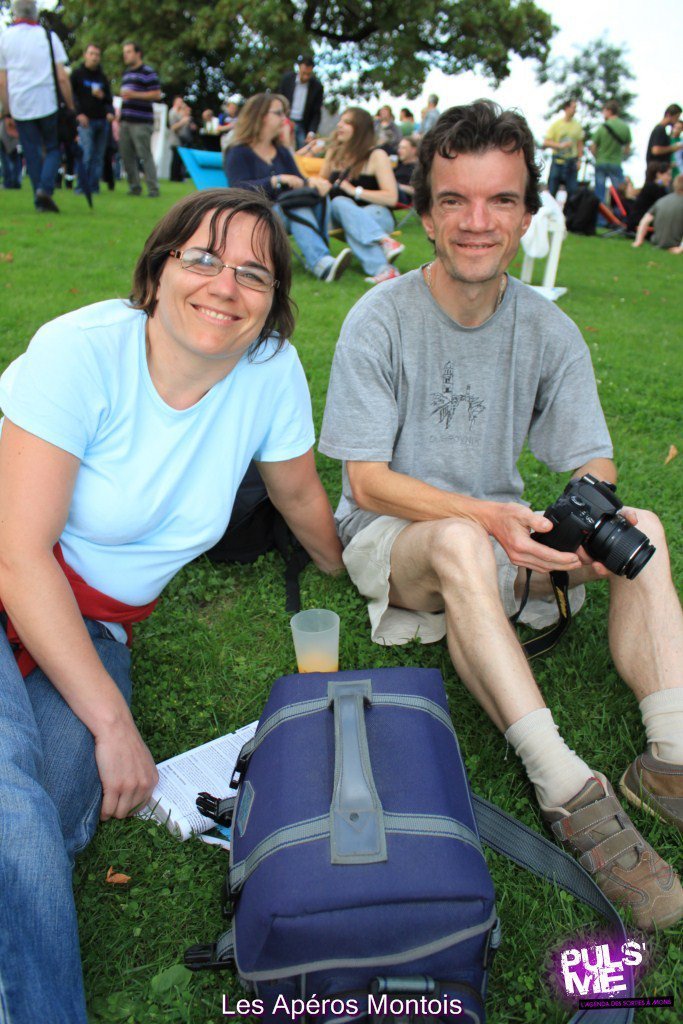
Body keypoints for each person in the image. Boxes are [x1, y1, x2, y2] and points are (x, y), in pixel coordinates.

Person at [319, 100, 683, 933]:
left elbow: (592, 463)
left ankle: (669, 760)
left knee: (644, 528)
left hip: (501, 531)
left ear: (524, 215)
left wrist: (573, 530)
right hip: (400, 539)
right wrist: (487, 519)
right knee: (457, 539)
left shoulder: (547, 328)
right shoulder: (379, 319)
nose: (477, 222)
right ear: (424, 215)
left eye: (500, 201)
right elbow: (366, 483)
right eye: (454, 200)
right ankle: (566, 789)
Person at [0, 187, 344, 1024]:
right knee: (11, 803)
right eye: (203, 258)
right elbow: (18, 556)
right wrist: (114, 722)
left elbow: (298, 492)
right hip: (13, 575)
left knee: (60, 807)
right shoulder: (80, 352)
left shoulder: (267, 371)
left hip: (94, 624)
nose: (225, 286)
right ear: (157, 272)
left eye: (253, 274)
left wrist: (354, 572)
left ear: (272, 302)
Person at [225, 92, 351, 283]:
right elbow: (238, 190)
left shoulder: (281, 151)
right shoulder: (238, 151)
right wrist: (275, 180)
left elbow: (299, 180)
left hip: (286, 208)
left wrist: (313, 183)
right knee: (295, 207)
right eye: (278, 113)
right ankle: (322, 264)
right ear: (260, 116)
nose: (284, 119)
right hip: (257, 214)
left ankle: (322, 257)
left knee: (318, 197)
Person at [313, 106, 403, 285]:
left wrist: (356, 192)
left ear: (360, 129)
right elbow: (321, 182)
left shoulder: (376, 155)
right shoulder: (334, 154)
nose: (339, 125)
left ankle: (384, 269)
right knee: (339, 203)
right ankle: (383, 243)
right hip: (341, 218)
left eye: (347, 123)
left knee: (349, 217)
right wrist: (317, 183)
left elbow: (391, 198)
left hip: (377, 215)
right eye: (340, 121)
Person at [0, 0, 75, 212]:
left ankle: (39, 198)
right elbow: (62, 77)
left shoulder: (5, 38)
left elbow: (2, 81)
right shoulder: (48, 37)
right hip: (47, 102)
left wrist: (7, 111)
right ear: (35, 13)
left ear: (15, 13)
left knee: (31, 152)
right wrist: (70, 105)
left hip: (20, 104)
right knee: (52, 148)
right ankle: (45, 189)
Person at [118, 40, 161, 198]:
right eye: (124, 52)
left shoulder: (148, 72)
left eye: (129, 52)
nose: (126, 55)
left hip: (141, 122)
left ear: (138, 53)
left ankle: (153, 188)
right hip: (126, 121)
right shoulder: (126, 73)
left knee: (145, 155)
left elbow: (157, 94)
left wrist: (134, 94)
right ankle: (134, 187)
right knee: (126, 155)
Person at [71, 43, 114, 196]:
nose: (94, 57)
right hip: (86, 121)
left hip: (102, 121)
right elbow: (71, 96)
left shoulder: (102, 77)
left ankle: (94, 187)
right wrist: (78, 113)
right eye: (91, 54)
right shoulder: (77, 75)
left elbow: (109, 99)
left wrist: (109, 110)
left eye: (97, 55)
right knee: (86, 154)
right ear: (85, 55)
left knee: (98, 157)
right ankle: (81, 187)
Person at [590, 100, 631, 210]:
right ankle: (619, 214)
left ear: (609, 111)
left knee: (600, 192)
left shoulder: (602, 127)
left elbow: (593, 147)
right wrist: (620, 156)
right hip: (616, 163)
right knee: (619, 193)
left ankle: (601, 217)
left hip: (601, 162)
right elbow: (627, 149)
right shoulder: (625, 127)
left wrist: (597, 157)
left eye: (604, 111)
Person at [278, 55, 324, 149]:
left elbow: (316, 113)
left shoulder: (317, 87)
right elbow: (279, 100)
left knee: (303, 149)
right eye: (304, 73)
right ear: (299, 68)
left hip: (302, 124)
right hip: (285, 120)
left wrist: (312, 131)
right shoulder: (287, 80)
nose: (306, 77)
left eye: (308, 74)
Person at [543, 98, 583, 199]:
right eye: (573, 107)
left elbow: (580, 144)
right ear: (566, 108)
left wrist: (579, 160)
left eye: (575, 108)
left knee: (572, 193)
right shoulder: (556, 125)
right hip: (557, 162)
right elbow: (546, 142)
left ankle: (570, 210)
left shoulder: (577, 126)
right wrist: (560, 145)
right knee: (552, 191)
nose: (575, 110)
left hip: (572, 163)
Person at [632, 172, 683, 251]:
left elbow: (645, 221)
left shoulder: (661, 201)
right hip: (676, 244)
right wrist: (681, 248)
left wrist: (638, 241)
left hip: (657, 243)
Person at [625, 161, 671, 234]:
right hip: (640, 223)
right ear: (658, 174)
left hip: (636, 221)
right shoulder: (655, 189)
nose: (670, 178)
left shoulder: (652, 186)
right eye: (668, 174)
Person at [167, 95, 196, 181]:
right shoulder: (172, 112)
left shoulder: (180, 112)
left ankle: (179, 177)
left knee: (179, 160)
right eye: (180, 101)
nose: (181, 103)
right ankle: (174, 177)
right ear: (175, 102)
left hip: (181, 140)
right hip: (175, 140)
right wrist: (183, 122)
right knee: (176, 160)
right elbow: (173, 127)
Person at [645, 103, 683, 167]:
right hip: (656, 169)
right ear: (668, 115)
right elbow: (656, 150)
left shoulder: (661, 129)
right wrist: (674, 148)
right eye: (676, 117)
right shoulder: (660, 129)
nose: (677, 121)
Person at [394, 135, 418, 205]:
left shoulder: (418, 168)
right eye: (399, 147)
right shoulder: (397, 165)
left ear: (413, 150)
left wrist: (397, 186)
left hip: (404, 200)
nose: (399, 151)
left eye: (403, 148)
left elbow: (417, 191)